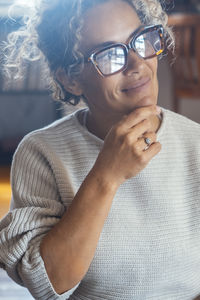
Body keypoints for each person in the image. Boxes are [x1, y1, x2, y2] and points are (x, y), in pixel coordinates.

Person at [0, 0, 200, 299]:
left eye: (140, 39)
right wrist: (107, 175)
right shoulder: (41, 153)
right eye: (109, 54)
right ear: (70, 78)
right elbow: (50, 283)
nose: (137, 64)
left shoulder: (195, 142)